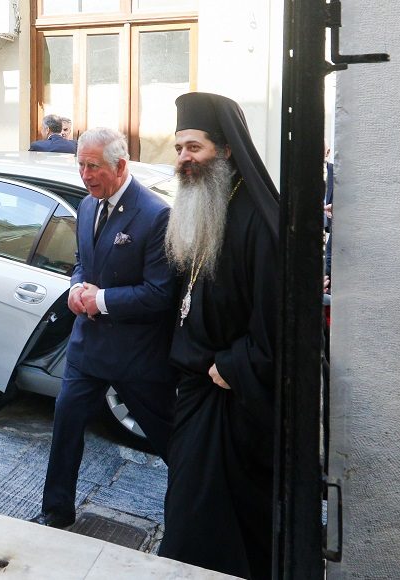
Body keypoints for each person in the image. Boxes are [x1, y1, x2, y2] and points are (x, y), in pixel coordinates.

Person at [29, 127, 179, 529]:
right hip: (87, 348)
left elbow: (159, 293)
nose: (85, 175)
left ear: (121, 166)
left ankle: (190, 518)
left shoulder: (155, 215)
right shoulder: (86, 206)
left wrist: (101, 300)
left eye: (93, 166)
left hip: (136, 356)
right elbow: (83, 262)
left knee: (171, 442)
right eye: (80, 165)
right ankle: (56, 511)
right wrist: (77, 287)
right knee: (66, 424)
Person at [159, 92, 279, 579]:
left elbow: (275, 323)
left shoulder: (260, 221)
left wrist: (229, 366)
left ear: (226, 150)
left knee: (221, 523)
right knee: (187, 510)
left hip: (233, 399)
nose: (184, 159)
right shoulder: (201, 208)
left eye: (195, 147)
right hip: (195, 390)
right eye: (179, 148)